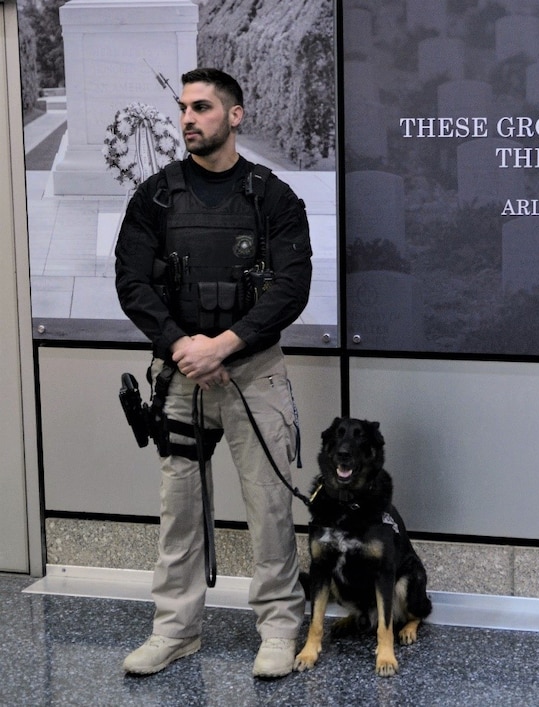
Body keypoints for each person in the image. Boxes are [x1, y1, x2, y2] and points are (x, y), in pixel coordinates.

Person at [114, 68, 311, 678]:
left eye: (201, 107)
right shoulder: (155, 195)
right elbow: (133, 283)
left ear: (235, 115)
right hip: (181, 380)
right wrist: (183, 349)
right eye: (183, 108)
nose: (187, 119)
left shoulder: (272, 196)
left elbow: (291, 287)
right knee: (179, 509)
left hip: (255, 375)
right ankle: (175, 630)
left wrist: (221, 346)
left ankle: (279, 630)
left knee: (271, 508)